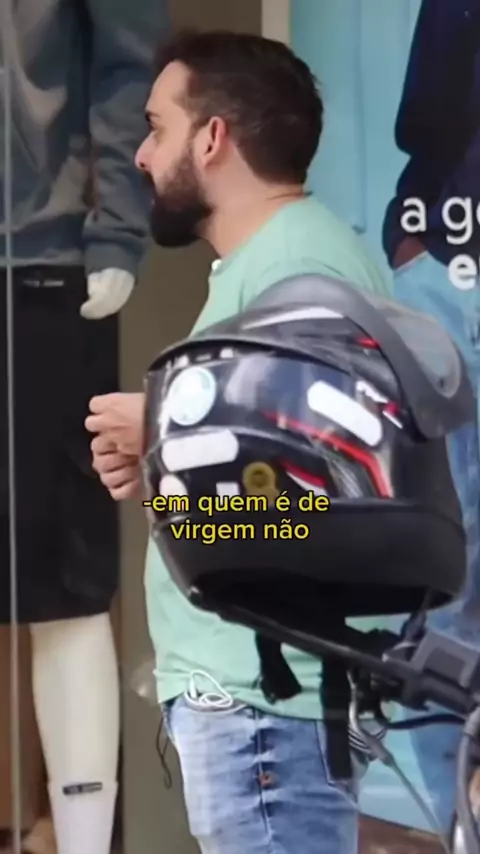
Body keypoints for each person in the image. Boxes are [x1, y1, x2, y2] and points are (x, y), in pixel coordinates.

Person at [86, 29, 392, 854]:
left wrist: (166, 424)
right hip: (260, 701)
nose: (141, 156)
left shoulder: (297, 268)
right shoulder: (282, 263)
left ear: (212, 138)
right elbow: (278, 487)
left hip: (264, 708)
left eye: (157, 127)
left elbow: (329, 485)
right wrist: (167, 457)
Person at [382, 0, 480, 831]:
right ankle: (459, 819)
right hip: (448, 262)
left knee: (442, 571)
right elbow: (428, 112)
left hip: (450, 262)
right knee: (439, 572)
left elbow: (429, 109)